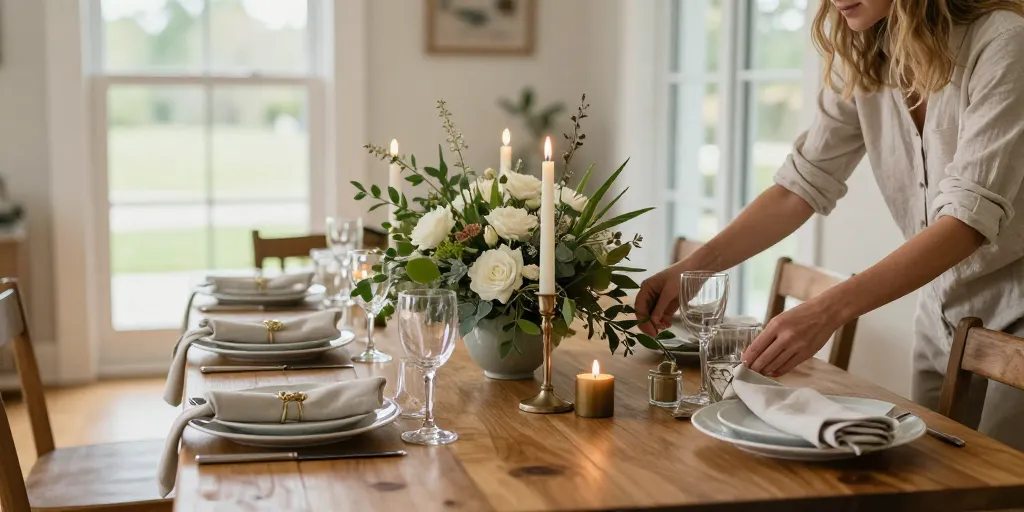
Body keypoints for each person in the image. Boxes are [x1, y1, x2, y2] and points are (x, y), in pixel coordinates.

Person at [635, 0, 1024, 450]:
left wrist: (828, 310)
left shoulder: (1003, 42)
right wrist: (693, 267)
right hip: (940, 310)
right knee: (928, 477)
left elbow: (965, 222)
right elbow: (798, 186)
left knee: (1002, 483)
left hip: (1017, 313)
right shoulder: (862, 51)